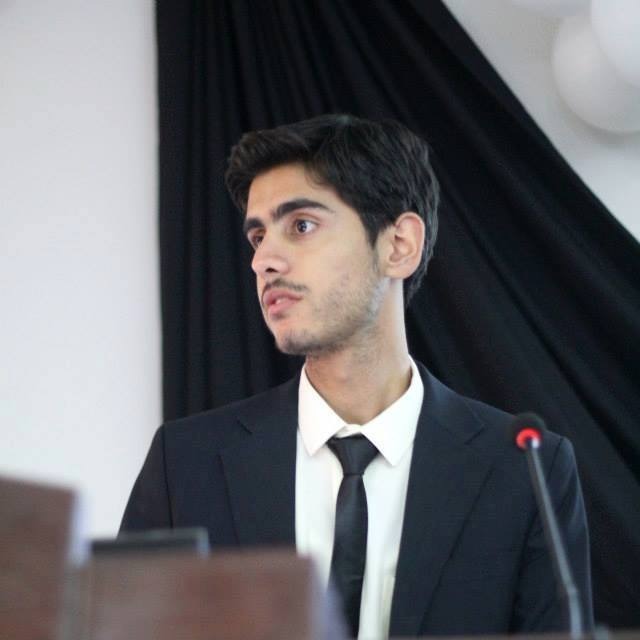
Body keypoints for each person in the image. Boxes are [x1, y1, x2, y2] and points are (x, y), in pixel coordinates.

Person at [121, 114, 593, 639]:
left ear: (399, 245)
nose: (263, 261)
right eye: (257, 237)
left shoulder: (525, 469)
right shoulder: (186, 462)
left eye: (301, 226)